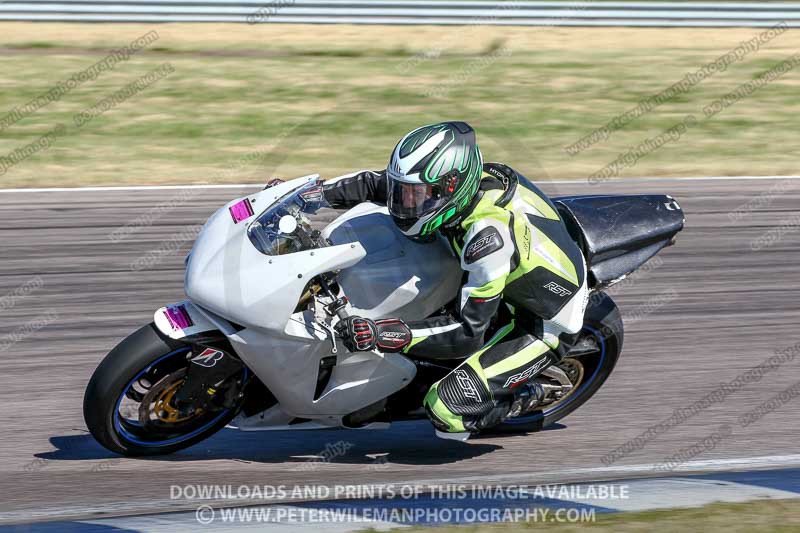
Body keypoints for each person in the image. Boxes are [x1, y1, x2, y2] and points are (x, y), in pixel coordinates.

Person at [324, 121, 588, 436]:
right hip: (504, 271)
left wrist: (387, 334)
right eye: (404, 192)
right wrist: (311, 194)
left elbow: (467, 332)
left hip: (539, 324)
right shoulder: (450, 185)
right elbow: (372, 184)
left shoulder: (487, 240)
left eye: (416, 196)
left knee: (444, 409)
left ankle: (522, 397)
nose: (405, 204)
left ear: (452, 188)